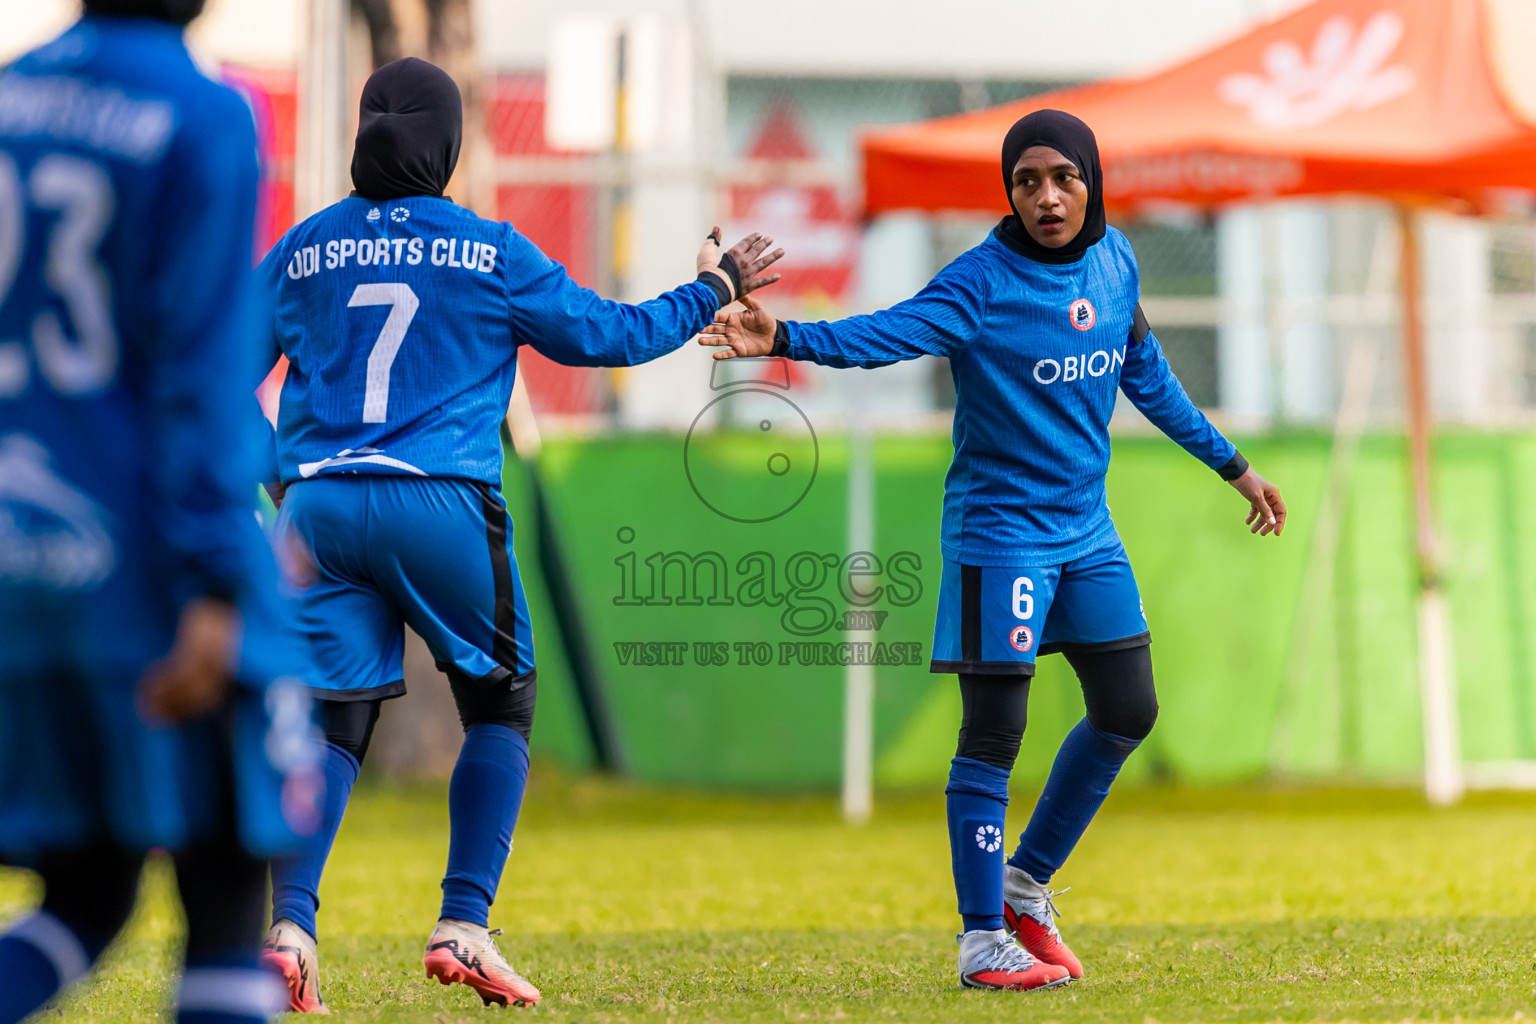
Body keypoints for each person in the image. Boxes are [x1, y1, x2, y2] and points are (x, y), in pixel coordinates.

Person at [701, 109, 1285, 992]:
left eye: (1064, 178)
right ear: (1009, 192)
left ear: (1092, 182)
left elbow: (1147, 375)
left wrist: (1234, 467)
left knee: (1127, 708)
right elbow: (887, 332)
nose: (1047, 197)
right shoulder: (980, 281)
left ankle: (1023, 884)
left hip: (1085, 530)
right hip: (1000, 535)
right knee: (994, 732)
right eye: (1027, 181)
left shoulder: (1116, 261)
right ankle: (981, 941)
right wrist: (782, 338)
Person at [254, 57, 785, 1012]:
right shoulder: (487, 249)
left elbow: (212, 376)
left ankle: (289, 933)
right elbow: (611, 336)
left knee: (331, 726)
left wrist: (282, 475)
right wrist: (713, 286)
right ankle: (463, 923)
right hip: (440, 504)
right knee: (501, 708)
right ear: (449, 143)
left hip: (319, 512)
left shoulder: (301, 250)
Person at [0, 3, 323, 1023]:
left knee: (88, 891)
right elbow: (199, 374)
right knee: (227, 887)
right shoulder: (204, 114)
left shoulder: (9, 97)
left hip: (22, 552)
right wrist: (221, 576)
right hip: (143, 559)